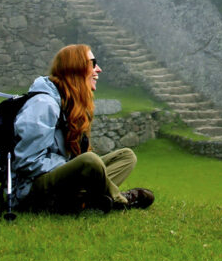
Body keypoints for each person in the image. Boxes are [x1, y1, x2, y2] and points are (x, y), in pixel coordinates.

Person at [12, 43, 154, 213]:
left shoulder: (69, 102)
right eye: (92, 64)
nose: (98, 69)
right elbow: (28, 161)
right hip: (33, 189)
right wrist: (70, 165)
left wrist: (73, 167)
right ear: (76, 68)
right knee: (89, 161)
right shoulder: (44, 105)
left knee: (126, 156)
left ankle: (86, 200)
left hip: (58, 181)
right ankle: (120, 200)